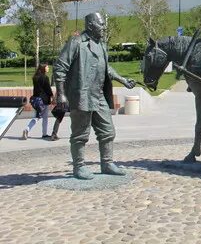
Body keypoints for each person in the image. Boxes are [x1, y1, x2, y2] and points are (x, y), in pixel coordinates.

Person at [53, 12, 136, 180]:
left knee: (108, 131)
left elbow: (106, 68)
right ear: (90, 25)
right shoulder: (76, 42)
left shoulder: (101, 44)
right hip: (81, 96)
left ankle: (107, 163)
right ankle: (79, 167)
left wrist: (123, 79)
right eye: (101, 24)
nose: (104, 27)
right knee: (80, 134)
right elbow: (59, 68)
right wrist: (61, 94)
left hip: (99, 96)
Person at [21, 63, 53, 140]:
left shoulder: (35, 77)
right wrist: (52, 96)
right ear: (43, 68)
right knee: (40, 117)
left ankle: (44, 134)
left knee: (41, 116)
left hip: (36, 100)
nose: (48, 68)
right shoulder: (45, 78)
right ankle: (28, 129)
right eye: (47, 67)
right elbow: (48, 89)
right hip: (44, 100)